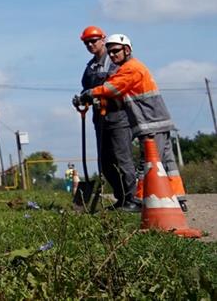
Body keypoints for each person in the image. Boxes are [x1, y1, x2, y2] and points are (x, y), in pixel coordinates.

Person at [80, 34, 187, 210]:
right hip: (157, 120)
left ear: (127, 50)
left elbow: (111, 87)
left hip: (150, 121)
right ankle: (178, 199)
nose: (112, 55)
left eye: (116, 51)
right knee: (166, 163)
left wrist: (90, 94)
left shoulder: (130, 68)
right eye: (110, 52)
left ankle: (137, 201)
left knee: (150, 163)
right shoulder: (126, 68)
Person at [76, 25, 136, 209]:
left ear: (103, 39)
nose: (90, 45)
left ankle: (132, 199)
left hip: (118, 116)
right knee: (106, 161)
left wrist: (92, 93)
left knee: (122, 158)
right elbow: (87, 88)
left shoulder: (115, 62)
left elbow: (113, 86)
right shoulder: (90, 67)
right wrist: (81, 98)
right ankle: (121, 198)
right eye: (87, 43)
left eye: (93, 41)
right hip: (99, 118)